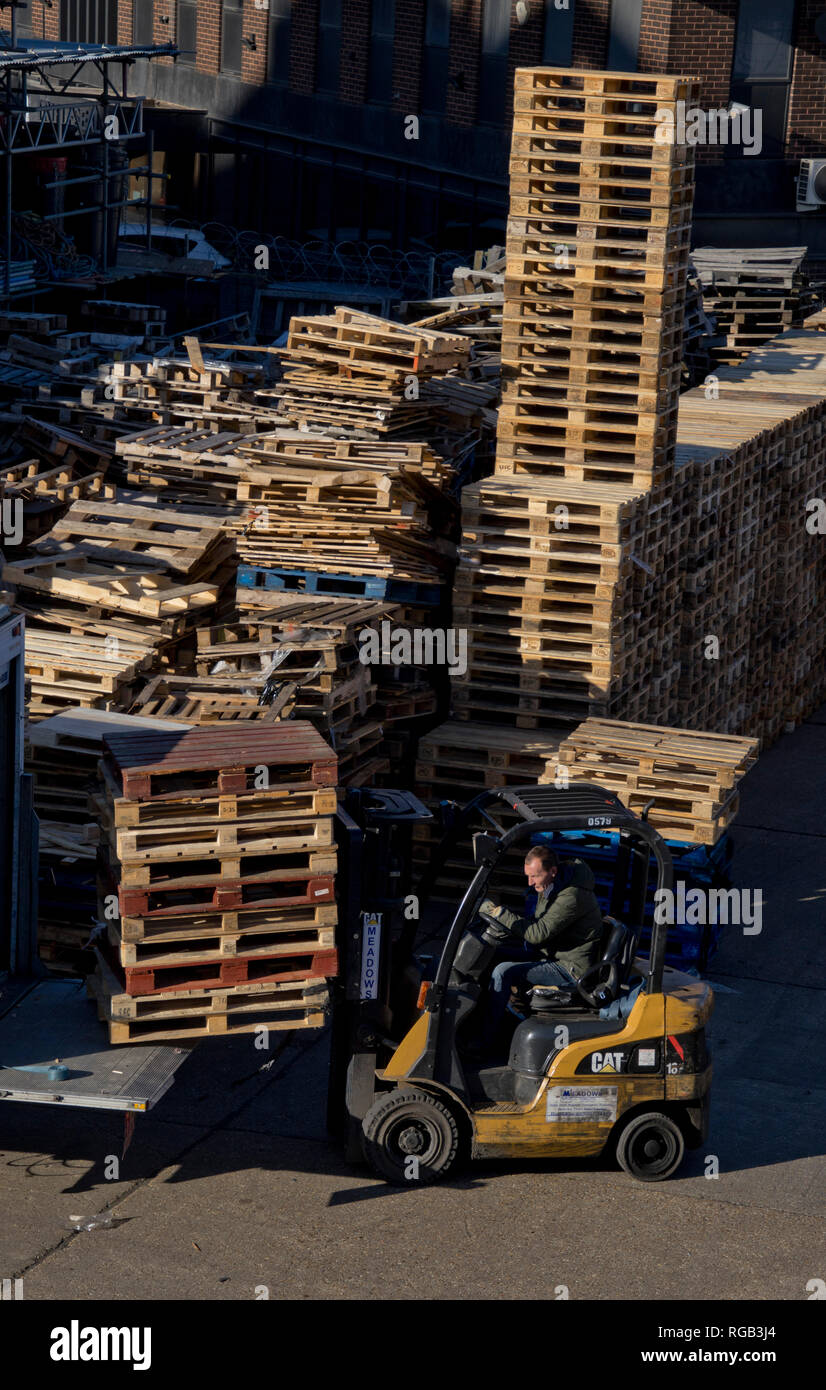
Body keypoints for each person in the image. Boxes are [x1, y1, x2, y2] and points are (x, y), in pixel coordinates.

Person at [477, 846, 604, 1056]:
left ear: (552, 871)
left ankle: (485, 1042)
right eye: (528, 876)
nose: (530, 882)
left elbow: (538, 934)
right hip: (554, 955)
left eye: (534, 876)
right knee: (492, 956)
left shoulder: (570, 896)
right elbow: (538, 926)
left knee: (503, 971)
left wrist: (499, 913)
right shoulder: (553, 885)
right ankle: (492, 1021)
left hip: (570, 969)